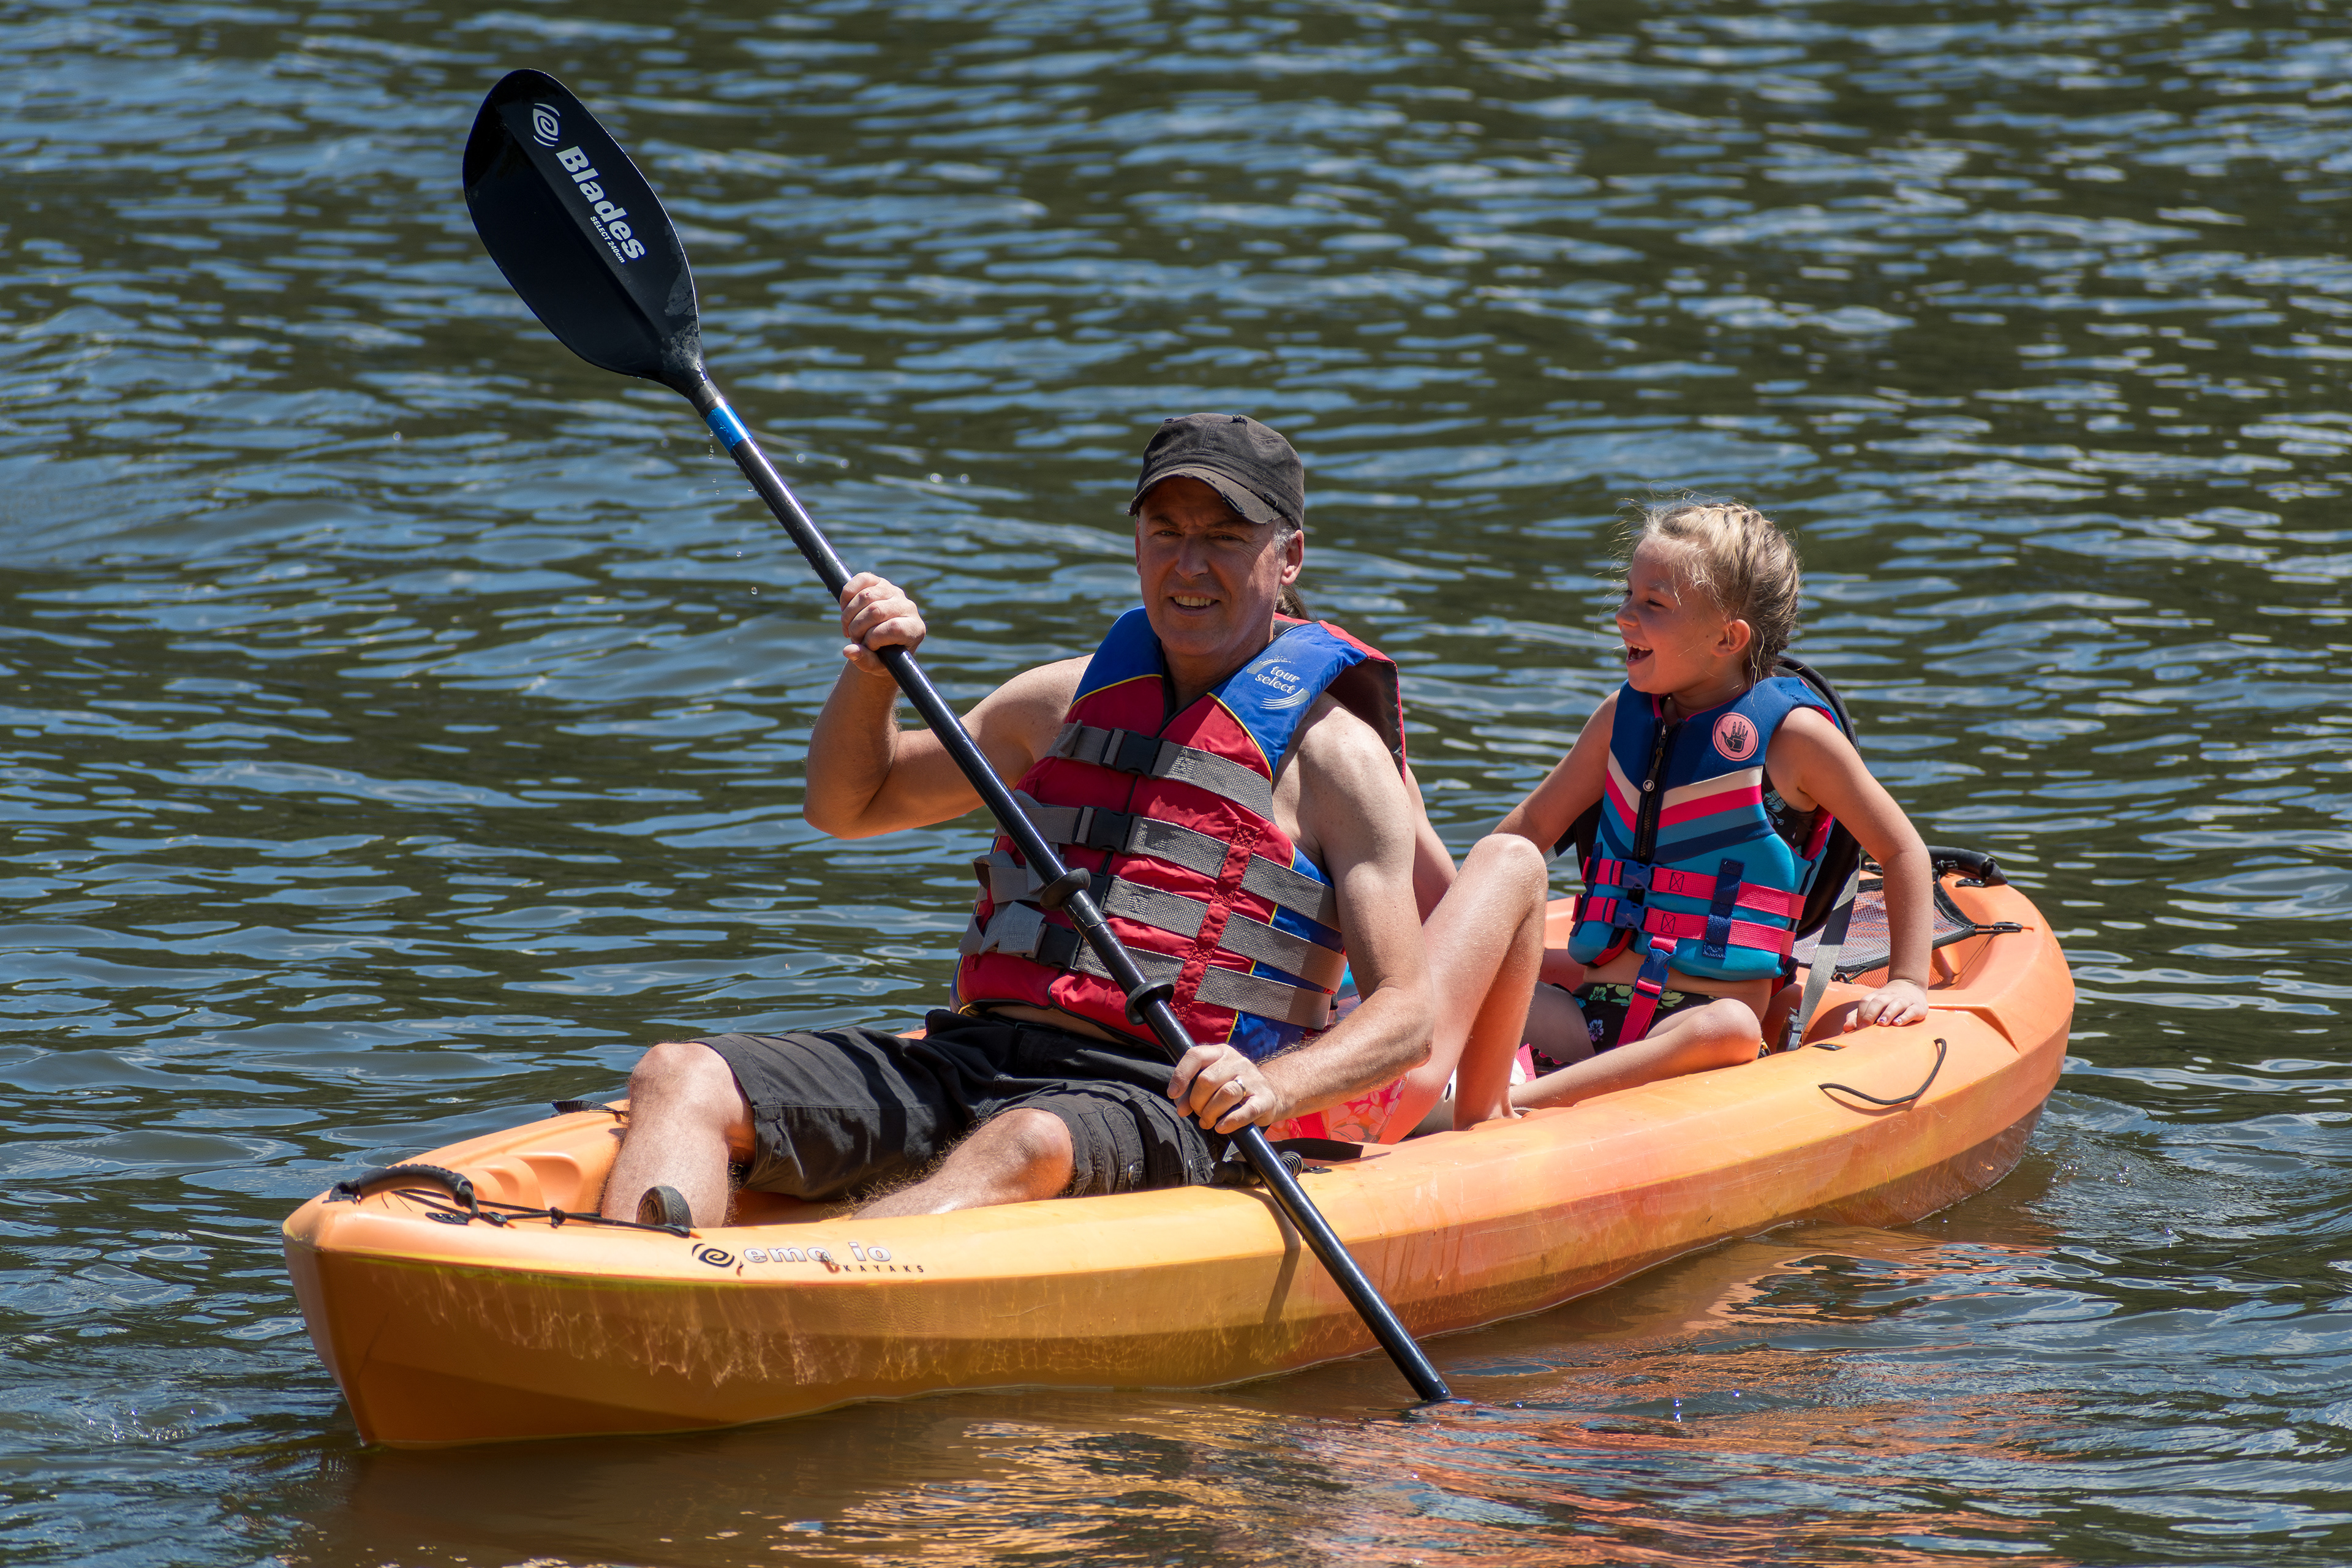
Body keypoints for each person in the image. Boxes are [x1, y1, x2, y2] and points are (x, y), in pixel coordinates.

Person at [600, 413, 1444, 1227]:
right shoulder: (1056, 706)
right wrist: (870, 676)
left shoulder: (1337, 762)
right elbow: (847, 806)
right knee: (680, 1074)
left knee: (1027, 1142)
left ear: (1288, 556)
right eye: (1165, 532)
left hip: (1162, 1092)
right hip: (972, 1055)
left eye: (1225, 538)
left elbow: (1405, 1013)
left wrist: (1277, 1089)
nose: (1190, 565)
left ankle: (793, 1298)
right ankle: (622, 1288)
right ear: (1137, 543)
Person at [1417, 500, 1932, 1117]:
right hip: (1588, 1016)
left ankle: (1510, 1104)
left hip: (1698, 1030)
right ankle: (1421, 1085)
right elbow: (1526, 833)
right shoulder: (1619, 720)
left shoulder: (1795, 739)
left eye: (1651, 605)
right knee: (1465, 987)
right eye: (1628, 595)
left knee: (1734, 1029)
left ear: (1727, 637)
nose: (1622, 616)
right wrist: (1453, 947)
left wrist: (1908, 980)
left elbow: (1901, 849)